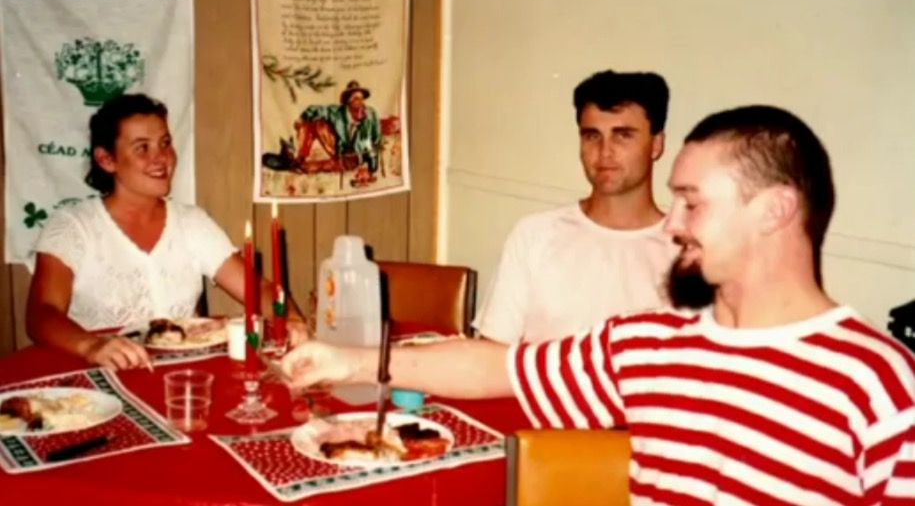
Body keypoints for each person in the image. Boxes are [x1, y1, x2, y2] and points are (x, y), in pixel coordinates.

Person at [281, 105, 915, 504]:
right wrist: (347, 361)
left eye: (693, 202)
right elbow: (493, 366)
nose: (673, 225)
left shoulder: (881, 384)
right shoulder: (648, 344)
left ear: (775, 210)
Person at [27, 94, 306, 371]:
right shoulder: (72, 226)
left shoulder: (191, 223)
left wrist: (291, 320)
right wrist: (92, 346)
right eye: (142, 148)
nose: (162, 158)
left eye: (165, 143)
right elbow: (41, 314)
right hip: (102, 377)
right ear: (106, 159)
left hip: (182, 376)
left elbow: (259, 290)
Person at [475, 70, 679, 343]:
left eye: (623, 136)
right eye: (592, 136)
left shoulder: (685, 253)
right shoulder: (535, 235)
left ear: (656, 145)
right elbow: (490, 352)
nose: (605, 152)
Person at [294, 80, 383, 175]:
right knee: (314, 122)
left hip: (356, 157)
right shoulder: (339, 112)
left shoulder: (371, 114)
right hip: (340, 150)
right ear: (349, 101)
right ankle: (300, 158)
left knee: (317, 166)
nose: (360, 102)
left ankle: (306, 167)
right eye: (356, 98)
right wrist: (302, 118)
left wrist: (371, 157)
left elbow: (377, 138)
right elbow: (318, 109)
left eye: (361, 98)